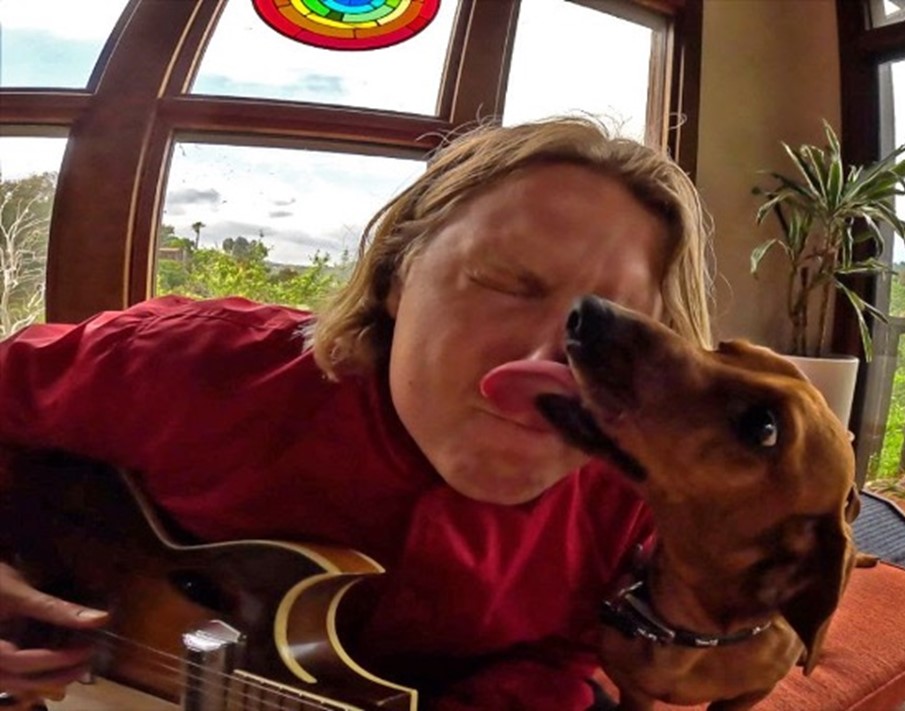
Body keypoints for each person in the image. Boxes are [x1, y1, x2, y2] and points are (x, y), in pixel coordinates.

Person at [0, 116, 715, 709]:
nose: (546, 360)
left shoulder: (637, 497)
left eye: (616, 327)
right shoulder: (192, 364)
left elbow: (562, 659)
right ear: (397, 277)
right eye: (504, 283)